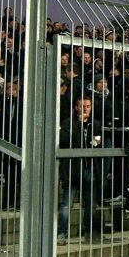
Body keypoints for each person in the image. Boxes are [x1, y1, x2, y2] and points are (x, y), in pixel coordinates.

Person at [56, 97, 107, 245]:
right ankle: (61, 233)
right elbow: (66, 140)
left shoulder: (95, 124)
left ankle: (90, 232)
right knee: (67, 204)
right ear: (76, 108)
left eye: (88, 106)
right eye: (83, 106)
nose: (86, 109)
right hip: (72, 170)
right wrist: (79, 124)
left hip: (89, 169)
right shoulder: (68, 123)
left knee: (91, 204)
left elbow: (97, 143)